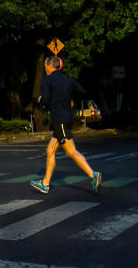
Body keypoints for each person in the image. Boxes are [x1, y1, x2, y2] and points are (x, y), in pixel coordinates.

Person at [29, 55, 101, 196]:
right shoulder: (68, 80)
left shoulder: (48, 79)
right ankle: (45, 184)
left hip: (59, 119)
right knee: (50, 150)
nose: (44, 68)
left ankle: (93, 175)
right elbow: (83, 93)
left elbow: (45, 99)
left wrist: (40, 99)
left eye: (45, 65)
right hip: (67, 118)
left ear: (50, 66)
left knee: (70, 151)